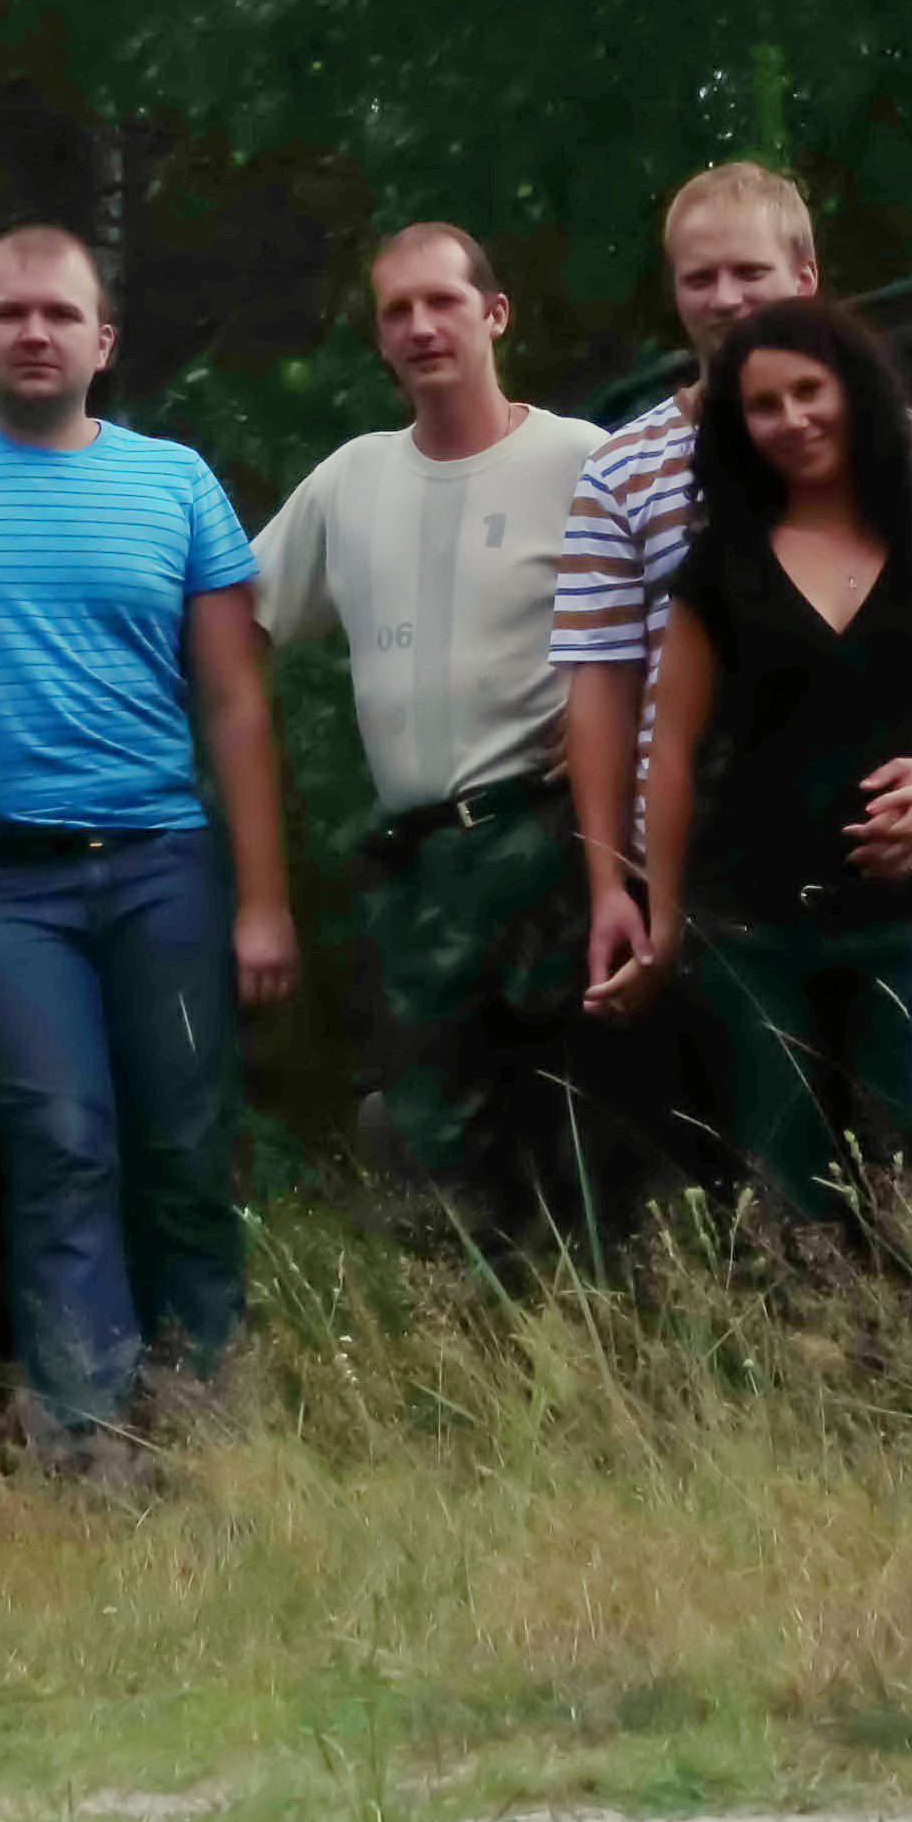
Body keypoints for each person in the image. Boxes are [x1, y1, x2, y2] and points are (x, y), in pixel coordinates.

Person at [0, 224, 291, 1467]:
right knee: (62, 1149)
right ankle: (90, 1444)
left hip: (161, 865)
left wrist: (262, 901)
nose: (35, 333)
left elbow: (235, 703)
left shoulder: (174, 482)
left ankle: (210, 1430)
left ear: (103, 342)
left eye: (60, 314)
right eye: (9, 313)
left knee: (183, 1150)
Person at [614, 299, 912, 1220]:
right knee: (789, 1218)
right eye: (763, 404)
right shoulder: (717, 568)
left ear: (855, 392)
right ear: (739, 426)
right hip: (755, 934)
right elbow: (672, 754)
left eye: (809, 391)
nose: (792, 418)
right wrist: (664, 922)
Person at [247, 223, 620, 1232]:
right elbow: (234, 616)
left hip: (553, 845)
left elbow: (693, 615)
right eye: (396, 311)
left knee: (585, 1143)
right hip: (418, 870)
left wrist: (634, 717)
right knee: (439, 1169)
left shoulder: (581, 458)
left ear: (493, 313)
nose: (419, 327)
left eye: (441, 302)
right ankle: (482, 1335)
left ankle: (613, 1330)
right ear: (379, 338)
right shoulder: (350, 479)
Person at [553, 161, 912, 1012]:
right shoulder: (619, 469)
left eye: (749, 271)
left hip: (891, 864)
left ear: (805, 277)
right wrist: (610, 884)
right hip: (705, 886)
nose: (725, 298)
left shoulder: (894, 441)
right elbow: (600, 690)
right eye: (699, 277)